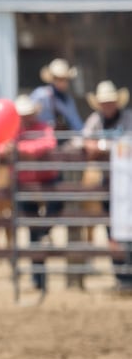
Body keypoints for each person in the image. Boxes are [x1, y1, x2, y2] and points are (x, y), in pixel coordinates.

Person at [0, 94, 59, 301]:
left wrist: (20, 150)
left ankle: (44, 236)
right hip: (25, 187)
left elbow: (48, 143)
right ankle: (37, 279)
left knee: (49, 217)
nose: (25, 118)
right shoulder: (13, 131)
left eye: (28, 114)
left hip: (46, 185)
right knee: (34, 232)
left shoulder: (42, 129)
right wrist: (4, 148)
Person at [75, 80, 132, 291]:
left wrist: (101, 146)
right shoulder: (96, 120)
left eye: (110, 102)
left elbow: (127, 144)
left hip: (127, 182)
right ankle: (122, 278)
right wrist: (108, 147)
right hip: (108, 184)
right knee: (112, 231)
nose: (108, 105)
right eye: (104, 102)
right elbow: (83, 140)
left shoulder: (127, 118)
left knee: (127, 228)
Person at [31, 58, 85, 135]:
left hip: (61, 140)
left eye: (65, 79)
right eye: (59, 79)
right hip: (41, 138)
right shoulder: (41, 95)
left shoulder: (68, 100)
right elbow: (29, 117)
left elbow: (76, 123)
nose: (63, 83)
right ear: (52, 79)